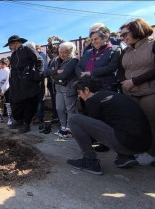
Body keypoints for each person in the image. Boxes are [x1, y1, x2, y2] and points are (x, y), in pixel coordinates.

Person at [67, 76, 152, 175]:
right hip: (143, 145)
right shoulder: (111, 95)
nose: (79, 96)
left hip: (128, 143)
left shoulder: (93, 100)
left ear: (86, 90)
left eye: (79, 93)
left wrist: (77, 134)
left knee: (74, 119)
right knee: (117, 125)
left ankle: (89, 161)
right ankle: (125, 157)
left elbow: (93, 132)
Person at [118, 18, 155, 166]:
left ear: (137, 30)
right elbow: (120, 70)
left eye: (125, 34)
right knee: (134, 124)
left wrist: (134, 81)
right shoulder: (126, 51)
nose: (123, 38)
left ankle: (152, 154)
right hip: (130, 93)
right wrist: (124, 82)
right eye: (121, 35)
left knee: (151, 124)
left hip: (150, 92)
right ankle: (139, 150)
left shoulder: (152, 45)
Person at [4, 35, 44, 133]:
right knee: (16, 102)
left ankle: (26, 124)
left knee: (28, 103)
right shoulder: (13, 54)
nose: (9, 47)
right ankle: (19, 121)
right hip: (16, 82)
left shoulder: (27, 49)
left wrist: (37, 76)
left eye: (10, 44)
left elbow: (39, 61)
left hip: (27, 81)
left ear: (16, 43)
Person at [47, 42, 79, 138]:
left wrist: (54, 75)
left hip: (68, 88)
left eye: (64, 52)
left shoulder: (73, 61)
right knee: (59, 108)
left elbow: (65, 75)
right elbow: (47, 71)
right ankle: (63, 126)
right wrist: (56, 71)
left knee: (70, 109)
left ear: (70, 52)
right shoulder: (55, 60)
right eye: (60, 52)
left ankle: (70, 128)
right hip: (58, 88)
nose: (61, 54)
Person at [76, 25, 121, 92]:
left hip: (105, 87)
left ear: (105, 37)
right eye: (92, 40)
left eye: (96, 39)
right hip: (87, 86)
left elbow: (111, 67)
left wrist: (90, 73)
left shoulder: (115, 49)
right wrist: (82, 75)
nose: (93, 42)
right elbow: (78, 66)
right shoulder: (88, 52)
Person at [0, 58, 12, 125]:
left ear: (6, 64)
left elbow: (7, 82)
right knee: (0, 103)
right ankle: (1, 117)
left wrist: (3, 90)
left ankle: (9, 118)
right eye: (0, 64)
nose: (1, 65)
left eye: (2, 64)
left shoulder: (8, 71)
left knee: (8, 104)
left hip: (6, 90)